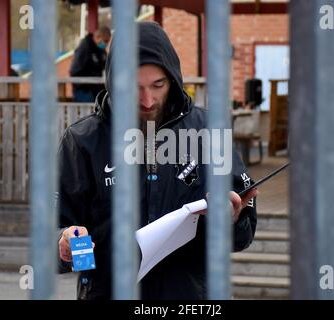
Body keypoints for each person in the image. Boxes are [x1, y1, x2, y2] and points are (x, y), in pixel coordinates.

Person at [57, 21, 258, 300]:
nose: (148, 100)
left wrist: (233, 220)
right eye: (134, 87)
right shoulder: (82, 140)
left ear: (173, 80)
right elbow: (56, 235)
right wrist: (66, 246)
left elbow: (241, 237)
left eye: (158, 85)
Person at [69, 26, 111, 102]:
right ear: (98, 37)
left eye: (107, 41)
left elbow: (105, 65)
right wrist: (86, 86)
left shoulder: (100, 50)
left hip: (96, 90)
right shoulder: (84, 48)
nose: (105, 44)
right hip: (84, 91)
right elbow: (74, 71)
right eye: (105, 41)